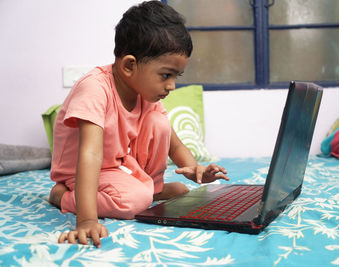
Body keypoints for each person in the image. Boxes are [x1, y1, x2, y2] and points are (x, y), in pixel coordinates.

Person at [49, 1, 229, 248]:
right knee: (133, 202)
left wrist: (195, 169)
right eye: (166, 75)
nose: (171, 86)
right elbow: (90, 154)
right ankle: (63, 197)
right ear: (129, 66)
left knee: (159, 122)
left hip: (119, 165)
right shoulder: (94, 89)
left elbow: (173, 143)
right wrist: (87, 219)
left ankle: (151, 190)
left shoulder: (145, 93)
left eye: (176, 76)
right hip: (83, 170)